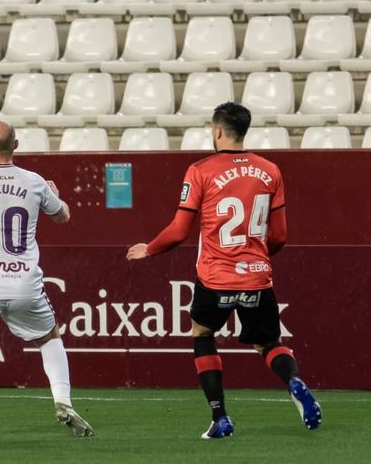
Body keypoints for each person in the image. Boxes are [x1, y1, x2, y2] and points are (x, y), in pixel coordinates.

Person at [126, 102, 322, 439]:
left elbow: (179, 229)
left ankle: (220, 418)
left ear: (217, 130)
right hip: (258, 275)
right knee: (268, 343)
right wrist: (258, 256)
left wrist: (150, 248)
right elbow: (280, 236)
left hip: (215, 277)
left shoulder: (201, 170)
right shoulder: (271, 170)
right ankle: (293, 380)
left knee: (202, 334)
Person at [0, 120, 94, 439]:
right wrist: (55, 195)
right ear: (17, 146)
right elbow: (63, 216)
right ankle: (63, 402)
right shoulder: (35, 182)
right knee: (50, 337)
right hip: (26, 284)